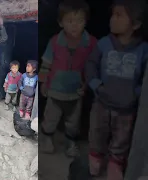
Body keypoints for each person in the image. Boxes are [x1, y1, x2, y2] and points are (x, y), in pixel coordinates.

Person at [85, 0, 148, 179]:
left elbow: (145, 78)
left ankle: (115, 164)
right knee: (97, 133)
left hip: (126, 108)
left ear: (135, 24)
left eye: (119, 15)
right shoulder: (104, 44)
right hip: (102, 102)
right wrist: (97, 86)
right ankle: (95, 163)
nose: (113, 19)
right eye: (113, 14)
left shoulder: (143, 50)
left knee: (122, 139)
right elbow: (91, 65)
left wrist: (135, 94)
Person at [39, 0, 97, 157]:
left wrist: (87, 84)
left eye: (80, 21)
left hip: (76, 91)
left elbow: (93, 67)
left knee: (73, 122)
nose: (75, 25)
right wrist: (43, 83)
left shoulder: (90, 43)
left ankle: (71, 144)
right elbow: (46, 64)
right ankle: (47, 139)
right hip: (54, 90)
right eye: (70, 21)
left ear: (86, 21)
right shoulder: (55, 42)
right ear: (60, 22)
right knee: (50, 119)